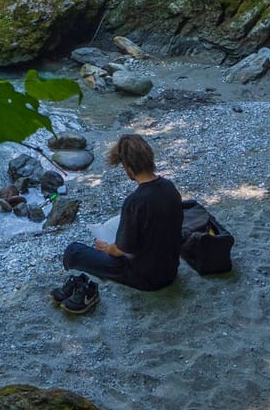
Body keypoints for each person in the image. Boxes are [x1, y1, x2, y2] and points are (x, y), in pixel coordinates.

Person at [51, 133, 182, 313]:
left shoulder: (135, 202)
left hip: (145, 276)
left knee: (74, 251)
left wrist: (107, 248)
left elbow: (122, 250)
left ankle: (85, 288)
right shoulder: (170, 187)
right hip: (170, 270)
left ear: (128, 167)